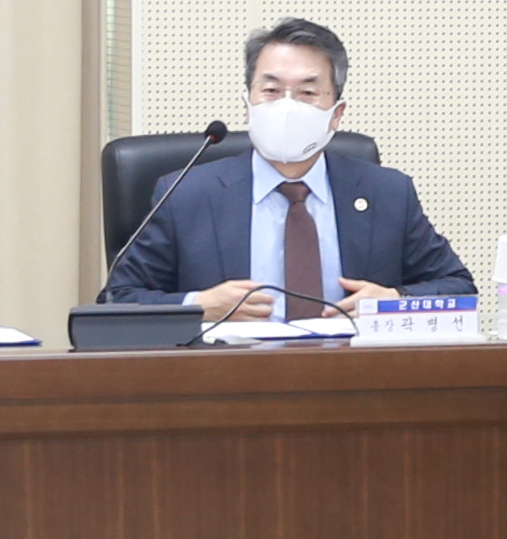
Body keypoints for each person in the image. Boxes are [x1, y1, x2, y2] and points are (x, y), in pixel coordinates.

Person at [104, 17, 471, 317]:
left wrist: (393, 300)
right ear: (247, 103)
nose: (287, 106)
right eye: (271, 90)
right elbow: (116, 300)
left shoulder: (387, 193)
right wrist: (198, 306)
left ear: (336, 114)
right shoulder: (185, 193)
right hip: (226, 386)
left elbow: (458, 288)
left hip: (354, 384)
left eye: (308, 92)